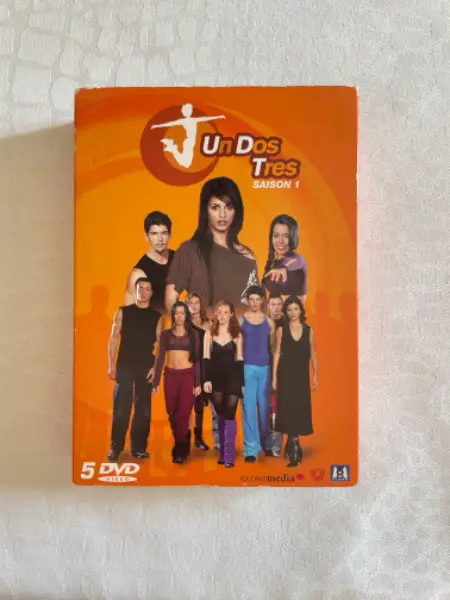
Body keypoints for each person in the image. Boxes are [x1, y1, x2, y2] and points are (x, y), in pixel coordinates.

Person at [165, 177, 259, 315]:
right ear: (206, 210)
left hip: (241, 328)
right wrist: (187, 326)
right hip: (202, 328)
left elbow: (258, 308)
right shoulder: (189, 251)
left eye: (229, 207)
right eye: (215, 207)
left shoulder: (248, 257)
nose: (222, 214)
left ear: (237, 210)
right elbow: (171, 300)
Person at [107, 278, 160, 462]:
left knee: (143, 411)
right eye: (140, 288)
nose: (143, 292)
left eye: (147, 289)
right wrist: (111, 364)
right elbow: (113, 338)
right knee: (121, 409)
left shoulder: (157, 317)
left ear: (151, 293)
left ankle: (138, 448)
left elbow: (161, 345)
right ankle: (116, 447)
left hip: (146, 367)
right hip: (125, 366)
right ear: (135, 291)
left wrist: (156, 368)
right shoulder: (123, 312)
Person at [152, 302, 202, 464]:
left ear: (186, 315)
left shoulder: (193, 334)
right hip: (170, 376)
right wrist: (156, 381)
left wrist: (197, 383)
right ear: (173, 315)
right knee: (171, 411)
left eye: (182, 313)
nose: (179, 316)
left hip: (187, 376)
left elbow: (197, 361)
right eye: (177, 313)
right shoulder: (165, 335)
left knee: (183, 413)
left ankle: (179, 449)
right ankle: (183, 439)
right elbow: (160, 358)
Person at [272, 297, 318, 467]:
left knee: (299, 408)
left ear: (300, 311)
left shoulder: (309, 331)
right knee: (288, 408)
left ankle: (292, 445)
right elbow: (277, 353)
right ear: (286, 312)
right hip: (285, 375)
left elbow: (313, 353)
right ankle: (295, 449)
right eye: (290, 309)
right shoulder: (281, 330)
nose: (293, 313)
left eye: (295, 309)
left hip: (301, 376)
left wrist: (316, 374)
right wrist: (274, 376)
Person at [203, 301, 244, 468]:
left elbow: (239, 359)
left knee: (230, 414)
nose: (222, 315)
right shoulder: (209, 334)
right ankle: (222, 452)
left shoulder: (237, 334)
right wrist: (206, 380)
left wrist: (242, 383)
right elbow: (206, 358)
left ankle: (229, 455)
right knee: (220, 414)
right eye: (219, 312)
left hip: (233, 379)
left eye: (226, 312)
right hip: (215, 379)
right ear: (215, 314)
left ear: (231, 314)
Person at [241, 286, 276, 463]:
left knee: (264, 409)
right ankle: (251, 449)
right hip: (247, 367)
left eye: (257, 299)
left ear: (262, 300)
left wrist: (275, 374)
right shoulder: (241, 320)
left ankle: (266, 443)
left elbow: (273, 349)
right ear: (248, 300)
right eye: (251, 299)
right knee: (248, 409)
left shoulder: (269, 322)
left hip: (265, 368)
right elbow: (237, 347)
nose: (255, 303)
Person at [186, 292, 219, 452]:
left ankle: (210, 440)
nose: (194, 305)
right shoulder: (183, 325)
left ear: (201, 305)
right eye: (190, 303)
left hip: (209, 366)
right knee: (191, 405)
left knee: (211, 405)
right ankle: (189, 439)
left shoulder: (209, 324)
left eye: (196, 302)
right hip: (192, 366)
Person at [125, 211, 174, 314]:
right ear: (146, 236)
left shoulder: (180, 260)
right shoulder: (138, 274)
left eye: (164, 233)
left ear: (170, 235)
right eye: (154, 233)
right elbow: (130, 317)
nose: (160, 239)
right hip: (153, 324)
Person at [263, 215, 307, 305]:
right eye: (276, 235)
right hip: (273, 313)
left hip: (290, 314)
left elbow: (297, 261)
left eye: (286, 236)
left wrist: (284, 266)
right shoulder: (274, 262)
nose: (280, 241)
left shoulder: (297, 260)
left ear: (293, 238)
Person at [267, 294, 284, 457]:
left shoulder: (288, 324)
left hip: (283, 372)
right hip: (264, 370)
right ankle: (268, 443)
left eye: (279, 304)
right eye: (273, 304)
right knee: (266, 408)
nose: (276, 307)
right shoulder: (263, 323)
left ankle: (277, 445)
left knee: (279, 409)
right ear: (268, 306)